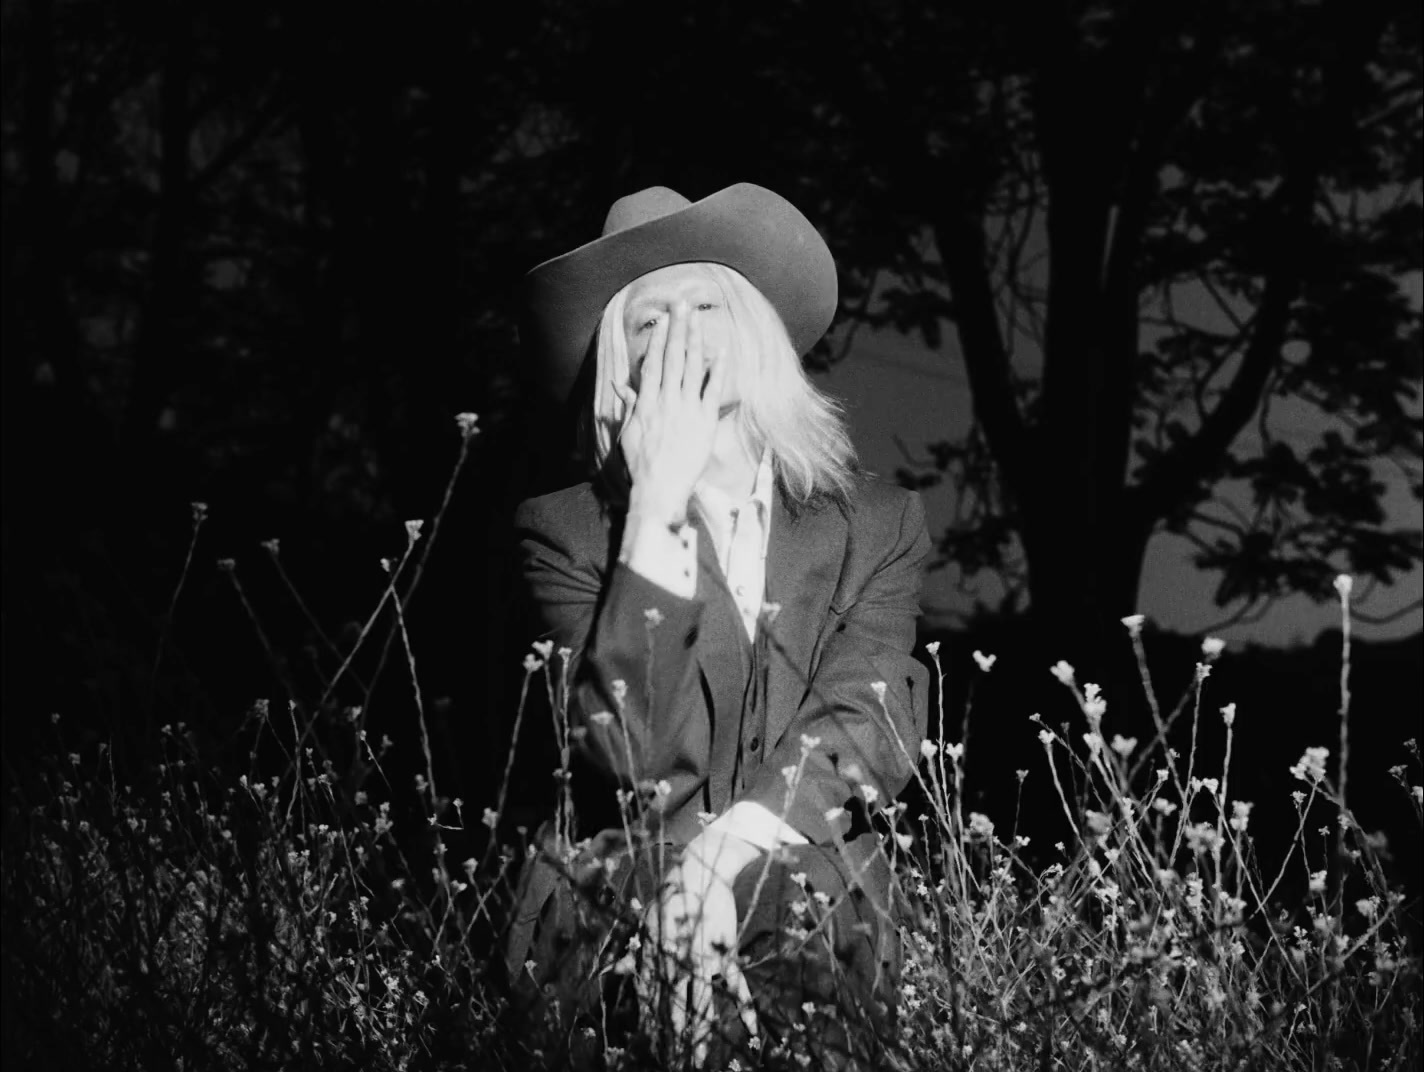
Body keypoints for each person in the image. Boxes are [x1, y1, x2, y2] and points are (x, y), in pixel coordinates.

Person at [507, 183, 931, 1069]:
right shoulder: (562, 530)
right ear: (619, 362)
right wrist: (656, 501)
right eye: (649, 320)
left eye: (706, 302)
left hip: (804, 870)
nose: (683, 331)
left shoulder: (877, 525)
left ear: (759, 337)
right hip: (619, 881)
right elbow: (634, 757)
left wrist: (724, 862)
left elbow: (872, 714)